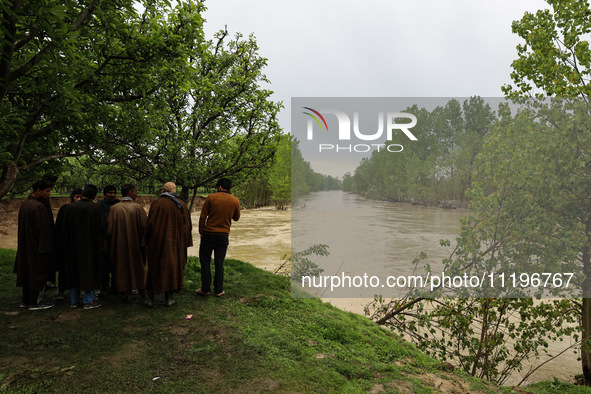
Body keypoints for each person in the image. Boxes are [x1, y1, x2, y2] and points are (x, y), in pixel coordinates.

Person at [141, 182, 192, 307]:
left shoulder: (157, 203)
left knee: (154, 268)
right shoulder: (182, 205)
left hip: (158, 243)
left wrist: (146, 240)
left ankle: (150, 300)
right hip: (176, 245)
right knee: (173, 269)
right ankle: (169, 299)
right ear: (175, 191)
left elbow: (150, 224)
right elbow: (187, 226)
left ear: (163, 190)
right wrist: (184, 242)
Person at [57, 184, 106, 310]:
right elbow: (102, 227)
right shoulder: (96, 208)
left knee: (74, 270)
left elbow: (63, 228)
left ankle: (74, 300)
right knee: (89, 271)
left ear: (83, 193)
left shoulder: (69, 208)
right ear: (94, 196)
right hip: (90, 246)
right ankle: (88, 301)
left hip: (72, 246)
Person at [13, 179, 56, 310]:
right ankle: (33, 302)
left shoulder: (25, 204)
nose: (49, 194)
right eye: (47, 191)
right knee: (37, 273)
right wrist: (46, 249)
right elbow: (44, 231)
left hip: (26, 246)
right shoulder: (38, 207)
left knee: (27, 273)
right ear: (38, 191)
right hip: (37, 248)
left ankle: (25, 300)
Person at [196, 178, 240, 298]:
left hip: (209, 234)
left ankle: (205, 289)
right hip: (223, 235)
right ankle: (218, 290)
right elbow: (236, 218)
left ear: (220, 187)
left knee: (205, 262)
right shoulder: (235, 200)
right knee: (219, 263)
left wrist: (201, 231)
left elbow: (203, 216)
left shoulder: (211, 197)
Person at [106, 184, 148, 303]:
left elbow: (108, 230)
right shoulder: (138, 208)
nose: (136, 194)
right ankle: (142, 289)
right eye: (135, 192)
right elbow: (145, 227)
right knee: (139, 265)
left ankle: (126, 293)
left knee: (121, 267)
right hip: (136, 245)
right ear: (130, 193)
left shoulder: (115, 208)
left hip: (119, 245)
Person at [54, 187, 83, 301]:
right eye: (77, 197)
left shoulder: (83, 209)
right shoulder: (65, 209)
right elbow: (59, 228)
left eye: (81, 197)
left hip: (78, 245)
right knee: (64, 268)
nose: (79, 199)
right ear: (72, 198)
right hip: (65, 244)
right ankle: (61, 290)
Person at [97, 185, 120, 295]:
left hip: (117, 238)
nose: (113, 195)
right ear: (105, 194)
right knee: (104, 264)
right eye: (110, 193)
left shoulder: (118, 204)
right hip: (104, 239)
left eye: (114, 193)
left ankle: (116, 285)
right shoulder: (99, 206)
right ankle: (104, 286)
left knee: (117, 263)